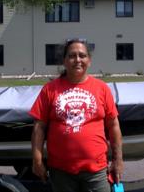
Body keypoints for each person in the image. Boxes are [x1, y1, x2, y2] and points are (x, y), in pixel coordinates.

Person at [29, 38, 123, 192]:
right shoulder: (49, 90)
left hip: (96, 170)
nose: (77, 60)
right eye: (72, 56)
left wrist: (118, 160)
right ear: (64, 61)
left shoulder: (102, 88)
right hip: (61, 171)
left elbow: (114, 125)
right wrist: (37, 159)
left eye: (82, 55)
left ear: (89, 60)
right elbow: (39, 127)